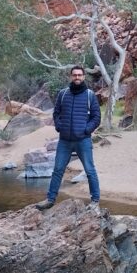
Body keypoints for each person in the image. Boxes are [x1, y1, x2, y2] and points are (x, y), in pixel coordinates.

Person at [34, 66, 101, 210]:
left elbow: (96, 117)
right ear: (71, 77)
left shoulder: (90, 95)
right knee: (58, 170)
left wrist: (86, 130)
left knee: (90, 170)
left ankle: (95, 201)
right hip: (64, 140)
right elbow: (56, 113)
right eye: (74, 75)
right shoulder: (63, 94)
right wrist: (59, 126)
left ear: (83, 77)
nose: (77, 77)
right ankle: (50, 199)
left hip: (83, 140)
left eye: (80, 75)